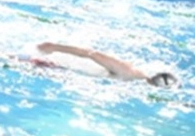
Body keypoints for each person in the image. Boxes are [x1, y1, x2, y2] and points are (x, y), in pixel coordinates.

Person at [34, 43, 178, 87]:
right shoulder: (128, 72)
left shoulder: (135, 79)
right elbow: (91, 53)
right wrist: (54, 47)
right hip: (57, 64)